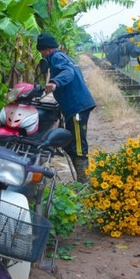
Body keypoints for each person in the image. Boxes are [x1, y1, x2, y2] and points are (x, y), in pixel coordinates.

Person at [36, 33, 96, 183]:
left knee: (78, 146)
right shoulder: (63, 56)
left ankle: (84, 183)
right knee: (69, 144)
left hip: (77, 108)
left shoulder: (56, 57)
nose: (42, 54)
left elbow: (68, 73)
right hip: (75, 107)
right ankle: (82, 179)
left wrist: (55, 82)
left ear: (46, 50)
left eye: (42, 51)